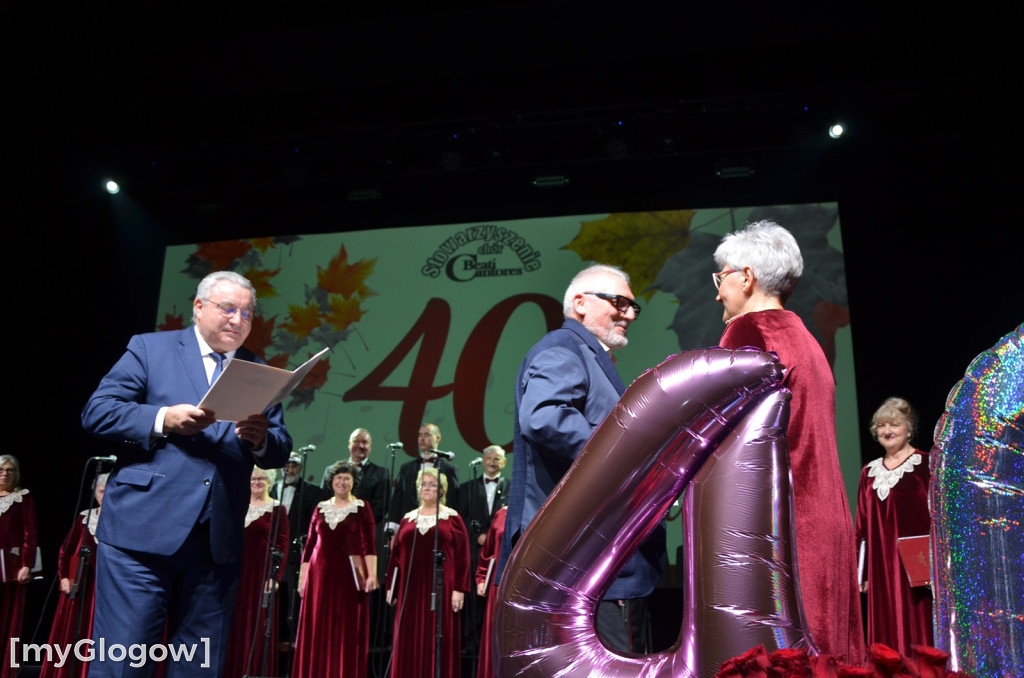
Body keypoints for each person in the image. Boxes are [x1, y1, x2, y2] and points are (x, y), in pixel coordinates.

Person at [81, 270, 293, 677]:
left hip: (216, 543)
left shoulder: (257, 370)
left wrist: (261, 441)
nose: (238, 320)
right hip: (140, 535)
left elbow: (279, 446)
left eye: (247, 314)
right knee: (124, 663)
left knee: (199, 667)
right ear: (199, 308)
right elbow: (98, 412)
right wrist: (163, 418)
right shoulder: (150, 349)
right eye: (228, 309)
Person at [712, 220, 864, 661]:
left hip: (786, 528)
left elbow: (735, 446)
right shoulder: (804, 337)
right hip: (826, 522)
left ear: (746, 276)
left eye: (720, 277)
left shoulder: (749, 332)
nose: (717, 291)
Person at [499, 263, 666, 653]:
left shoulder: (585, 354)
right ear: (579, 303)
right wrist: (630, 459)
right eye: (619, 302)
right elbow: (543, 419)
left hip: (594, 557)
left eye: (633, 307)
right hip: (583, 558)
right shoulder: (564, 347)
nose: (628, 313)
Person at [855, 397, 933, 656]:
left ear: (909, 429)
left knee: (918, 627)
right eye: (881, 425)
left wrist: (937, 564)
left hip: (917, 567)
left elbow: (941, 517)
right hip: (880, 568)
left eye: (895, 424)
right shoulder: (869, 471)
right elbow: (861, 527)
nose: (887, 431)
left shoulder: (925, 464)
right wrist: (861, 572)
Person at [292, 461, 378, 678]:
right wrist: (302, 579)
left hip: (349, 577)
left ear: (353, 482)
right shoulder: (320, 507)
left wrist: (372, 575)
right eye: (338, 477)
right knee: (317, 627)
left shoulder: (362, 507)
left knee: (345, 627)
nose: (342, 482)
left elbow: (369, 544)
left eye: (347, 478)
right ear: (331, 481)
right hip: (318, 577)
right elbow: (310, 545)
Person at [387, 467, 471, 678]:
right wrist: (391, 587)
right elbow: (395, 558)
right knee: (407, 636)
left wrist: (459, 589)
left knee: (438, 636)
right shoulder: (407, 519)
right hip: (409, 590)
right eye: (423, 484)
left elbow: (463, 556)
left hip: (441, 588)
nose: (427, 488)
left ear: (442, 489)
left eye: (432, 484)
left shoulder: (452, 517)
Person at [39, 473, 107, 678]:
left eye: (109, 491)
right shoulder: (84, 519)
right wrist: (64, 578)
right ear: (95, 494)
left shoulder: (123, 521)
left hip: (106, 590)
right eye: (102, 491)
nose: (106, 495)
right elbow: (65, 550)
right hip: (81, 586)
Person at [224, 467, 290, 678]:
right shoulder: (237, 505)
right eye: (253, 478)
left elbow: (283, 544)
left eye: (262, 478)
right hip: (234, 573)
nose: (257, 481)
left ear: (270, 481)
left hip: (260, 576)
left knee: (256, 625)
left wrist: (275, 577)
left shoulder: (277, 509)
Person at [454, 445, 509, 664]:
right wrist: (477, 535)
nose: (492, 461)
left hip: (497, 553)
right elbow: (461, 518)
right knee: (472, 597)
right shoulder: (467, 487)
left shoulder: (511, 487)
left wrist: (492, 538)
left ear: (503, 463)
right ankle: (471, 644)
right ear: (482, 460)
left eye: (497, 458)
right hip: (472, 550)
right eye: (489, 457)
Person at [271, 451, 324, 660]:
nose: (289, 469)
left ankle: (292, 637)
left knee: (292, 595)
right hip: (272, 553)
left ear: (300, 468)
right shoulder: (271, 488)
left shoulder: (312, 492)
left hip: (295, 553)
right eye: (286, 465)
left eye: (293, 465)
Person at [0, 455, 38, 678]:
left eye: (9, 470)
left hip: (11, 569)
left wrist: (27, 564)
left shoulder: (23, 498)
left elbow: (30, 533)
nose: (4, 474)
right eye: (1, 470)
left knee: (7, 619)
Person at [386, 423, 460, 536]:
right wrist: (392, 530)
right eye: (419, 435)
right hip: (409, 526)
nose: (422, 438)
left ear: (438, 438)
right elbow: (397, 500)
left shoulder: (449, 470)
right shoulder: (406, 468)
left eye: (427, 435)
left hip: (437, 527)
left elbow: (452, 500)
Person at [474, 505, 505, 678]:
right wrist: (481, 577)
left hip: (525, 587)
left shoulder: (537, 508)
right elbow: (488, 550)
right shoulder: (501, 514)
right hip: (497, 585)